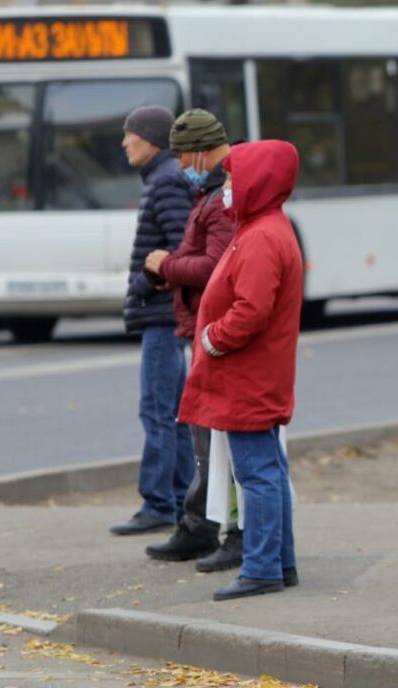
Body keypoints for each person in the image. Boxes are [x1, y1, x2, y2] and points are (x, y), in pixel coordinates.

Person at [177, 139, 303, 602]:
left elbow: (250, 310)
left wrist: (211, 338)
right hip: (255, 372)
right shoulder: (262, 227)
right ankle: (279, 563)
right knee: (267, 469)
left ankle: (263, 567)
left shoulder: (262, 235)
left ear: (258, 181)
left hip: (248, 373)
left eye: (233, 178)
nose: (227, 186)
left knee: (258, 474)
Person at [144, 109, 240, 571]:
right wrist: (174, 266)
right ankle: (203, 525)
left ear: (201, 151)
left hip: (214, 333)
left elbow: (215, 264)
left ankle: (210, 529)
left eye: (183, 155)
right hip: (202, 327)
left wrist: (167, 267)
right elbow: (199, 254)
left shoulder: (222, 197)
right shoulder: (208, 190)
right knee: (208, 439)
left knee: (218, 442)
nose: (180, 164)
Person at [110, 106, 196, 536]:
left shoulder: (164, 183)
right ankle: (179, 498)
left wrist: (147, 281)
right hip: (164, 315)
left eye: (132, 134)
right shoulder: (165, 180)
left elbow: (181, 248)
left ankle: (159, 502)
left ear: (154, 140)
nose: (125, 142)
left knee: (158, 409)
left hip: (162, 318)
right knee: (174, 411)